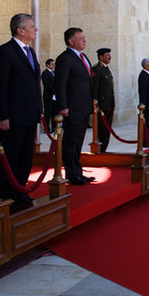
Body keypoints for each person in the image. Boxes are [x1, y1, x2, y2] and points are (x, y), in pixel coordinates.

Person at [0, 14, 42, 206]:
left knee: (25, 157)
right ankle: (8, 194)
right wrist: (1, 115)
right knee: (10, 156)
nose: (36, 29)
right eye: (32, 26)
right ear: (20, 31)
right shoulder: (5, 52)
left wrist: (39, 109)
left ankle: (21, 190)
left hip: (29, 115)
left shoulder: (30, 51)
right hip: (12, 117)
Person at [54, 27, 95, 186]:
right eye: (80, 38)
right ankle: (72, 173)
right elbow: (61, 84)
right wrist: (63, 106)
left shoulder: (82, 56)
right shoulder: (65, 58)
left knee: (79, 141)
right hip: (72, 107)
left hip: (83, 106)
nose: (84, 40)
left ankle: (78, 171)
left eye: (84, 37)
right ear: (71, 41)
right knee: (71, 141)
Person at [90, 47, 115, 153]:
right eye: (107, 55)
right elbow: (94, 87)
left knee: (107, 128)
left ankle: (104, 148)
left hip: (109, 104)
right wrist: (96, 103)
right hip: (102, 105)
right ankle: (101, 148)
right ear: (101, 57)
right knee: (102, 129)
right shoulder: (97, 68)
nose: (110, 57)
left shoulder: (106, 68)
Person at [41, 58, 56, 126]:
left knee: (54, 113)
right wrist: (55, 91)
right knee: (48, 113)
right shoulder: (45, 73)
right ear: (48, 65)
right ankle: (47, 128)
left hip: (55, 97)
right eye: (52, 64)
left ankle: (54, 127)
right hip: (49, 96)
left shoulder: (54, 73)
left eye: (54, 64)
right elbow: (47, 85)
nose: (53, 65)